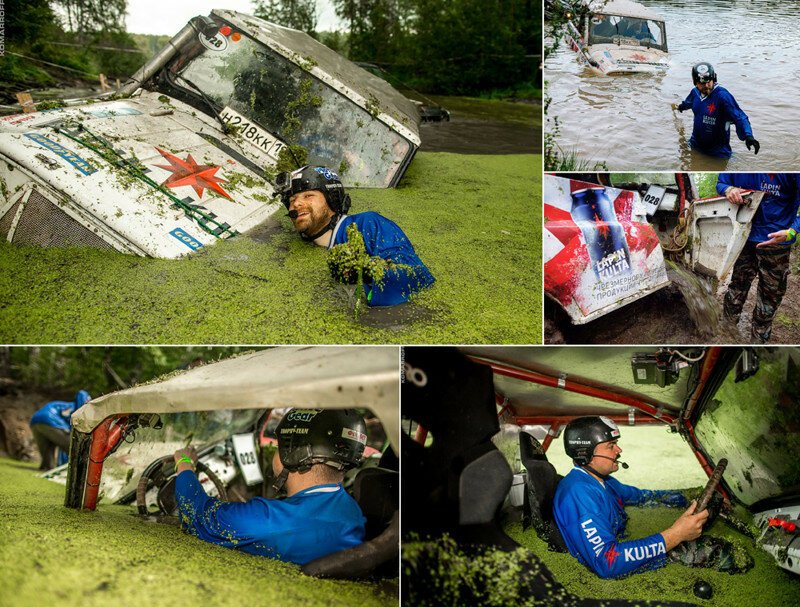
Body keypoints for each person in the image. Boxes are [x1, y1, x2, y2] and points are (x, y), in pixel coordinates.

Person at [553, 416, 749, 579]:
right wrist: (676, 534)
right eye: (611, 446)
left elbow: (643, 497)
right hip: (616, 573)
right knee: (720, 553)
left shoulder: (604, 482)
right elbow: (607, 563)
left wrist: (690, 497)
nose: (619, 450)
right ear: (585, 454)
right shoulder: (579, 494)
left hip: (625, 548)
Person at [174, 408, 367, 565]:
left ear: (294, 454)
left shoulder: (269, 519)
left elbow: (196, 516)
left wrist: (184, 464)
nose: (275, 452)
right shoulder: (353, 511)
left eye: (278, 446)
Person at [276, 165, 435, 306]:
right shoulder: (294, 249)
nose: (296, 204)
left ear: (332, 199)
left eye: (308, 196)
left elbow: (416, 273)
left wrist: (365, 271)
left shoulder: (368, 224)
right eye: (292, 200)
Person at [717, 173, 800, 342]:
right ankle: (727, 333)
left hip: (777, 242)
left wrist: (793, 231)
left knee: (770, 297)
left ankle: (759, 340)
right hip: (745, 236)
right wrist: (729, 190)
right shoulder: (740, 168)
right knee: (737, 287)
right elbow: (721, 182)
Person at [674, 62, 759, 158]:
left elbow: (740, 117)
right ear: (696, 83)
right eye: (701, 83)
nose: (706, 85)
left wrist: (748, 136)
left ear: (714, 79)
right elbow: (687, 103)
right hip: (695, 146)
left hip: (717, 153)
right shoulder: (695, 93)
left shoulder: (723, 96)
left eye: (708, 81)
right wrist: (679, 107)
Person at [29, 390, 91, 470]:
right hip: (50, 419)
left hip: (35, 421)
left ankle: (47, 468)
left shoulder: (64, 405)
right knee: (72, 445)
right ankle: (74, 470)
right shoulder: (75, 409)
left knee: (47, 449)